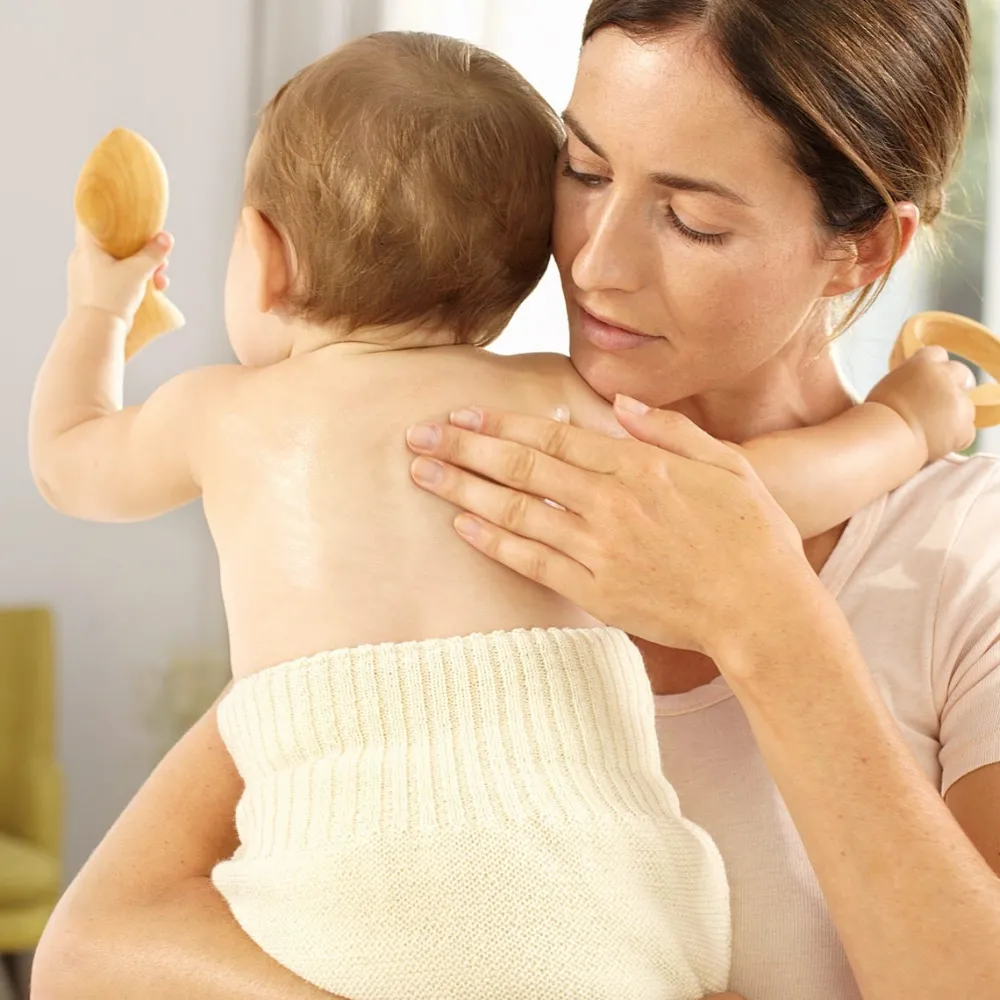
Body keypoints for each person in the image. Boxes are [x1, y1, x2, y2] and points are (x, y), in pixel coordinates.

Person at [28, 2, 1000, 1000]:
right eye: (580, 170)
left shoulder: (967, 559)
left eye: (690, 218)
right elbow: (89, 957)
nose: (592, 263)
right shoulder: (486, 460)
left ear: (866, 251)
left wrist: (769, 621)